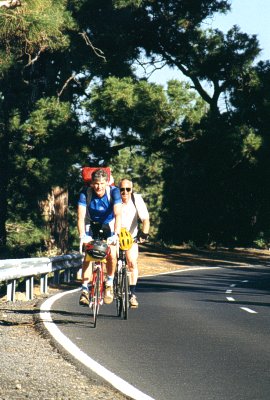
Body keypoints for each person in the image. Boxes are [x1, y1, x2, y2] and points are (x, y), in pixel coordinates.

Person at [77, 169, 122, 305]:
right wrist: (82, 236)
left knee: (112, 254)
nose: (99, 187)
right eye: (96, 183)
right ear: (91, 183)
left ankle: (109, 283)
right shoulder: (85, 193)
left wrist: (116, 235)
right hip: (91, 224)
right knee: (88, 255)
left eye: (102, 183)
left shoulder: (113, 192)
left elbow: (118, 214)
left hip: (109, 223)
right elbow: (80, 217)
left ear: (107, 183)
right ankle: (85, 290)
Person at [119, 178, 150, 308]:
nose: (125, 192)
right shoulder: (114, 199)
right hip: (115, 236)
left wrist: (144, 234)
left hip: (131, 237)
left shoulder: (136, 199)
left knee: (132, 262)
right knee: (113, 262)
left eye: (128, 189)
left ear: (132, 190)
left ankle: (132, 294)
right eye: (122, 189)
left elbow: (145, 219)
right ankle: (111, 284)